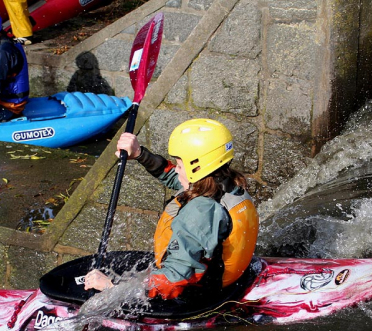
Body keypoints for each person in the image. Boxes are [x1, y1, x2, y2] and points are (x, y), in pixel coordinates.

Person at [84, 119, 260, 304]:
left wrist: (112, 286)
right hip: (225, 279)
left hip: (194, 294)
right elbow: (172, 176)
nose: (176, 169)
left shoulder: (201, 212)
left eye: (180, 165)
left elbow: (174, 280)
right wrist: (139, 154)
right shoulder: (223, 182)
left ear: (197, 167)